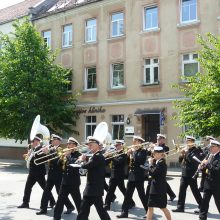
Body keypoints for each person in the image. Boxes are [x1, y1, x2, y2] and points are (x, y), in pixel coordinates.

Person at [36, 134, 74, 215]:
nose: (52, 141)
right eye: (52, 140)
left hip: (58, 175)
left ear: (58, 141)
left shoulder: (60, 149)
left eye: (54, 140)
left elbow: (57, 161)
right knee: (46, 191)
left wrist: (48, 152)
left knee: (59, 193)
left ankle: (70, 206)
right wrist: (44, 153)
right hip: (51, 174)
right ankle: (43, 209)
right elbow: (46, 159)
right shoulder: (51, 148)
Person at [76, 136, 111, 220]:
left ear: (97, 145)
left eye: (91, 145)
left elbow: (87, 166)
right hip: (91, 189)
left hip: (94, 190)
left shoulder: (98, 156)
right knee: (83, 211)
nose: (89, 146)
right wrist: (84, 160)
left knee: (101, 211)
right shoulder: (96, 155)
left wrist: (81, 160)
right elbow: (89, 166)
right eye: (89, 145)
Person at [18, 136, 54, 208]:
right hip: (32, 172)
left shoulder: (41, 148)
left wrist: (33, 154)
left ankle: (52, 201)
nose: (31, 143)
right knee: (28, 187)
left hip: (39, 172)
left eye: (32, 141)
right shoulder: (32, 149)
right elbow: (31, 158)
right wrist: (28, 156)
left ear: (37, 141)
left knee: (45, 188)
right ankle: (25, 203)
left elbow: (42, 157)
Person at [117, 135, 148, 218]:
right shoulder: (133, 151)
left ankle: (148, 211)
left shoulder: (143, 151)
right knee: (127, 195)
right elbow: (128, 163)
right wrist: (127, 155)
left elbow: (139, 161)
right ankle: (124, 212)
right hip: (131, 176)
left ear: (140, 142)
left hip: (139, 176)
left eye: (135, 141)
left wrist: (133, 153)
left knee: (142, 195)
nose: (133, 143)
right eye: (134, 141)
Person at [53, 137, 82, 220]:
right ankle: (56, 217)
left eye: (70, 144)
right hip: (65, 181)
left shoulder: (78, 154)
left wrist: (68, 156)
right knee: (60, 201)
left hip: (74, 182)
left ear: (74, 145)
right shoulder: (65, 153)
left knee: (78, 202)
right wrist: (62, 157)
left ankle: (83, 217)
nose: (68, 145)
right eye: (68, 144)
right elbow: (58, 164)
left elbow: (74, 164)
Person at [172, 135, 203, 213]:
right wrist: (182, 154)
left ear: (192, 142)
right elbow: (180, 161)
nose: (187, 143)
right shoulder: (186, 150)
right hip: (184, 173)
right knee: (181, 190)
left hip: (192, 173)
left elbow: (193, 161)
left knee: (195, 191)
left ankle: (202, 206)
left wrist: (186, 153)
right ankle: (180, 207)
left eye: (188, 141)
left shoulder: (197, 150)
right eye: (186, 141)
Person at [104, 140, 135, 210]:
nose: (116, 147)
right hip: (113, 175)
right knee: (111, 190)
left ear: (121, 145)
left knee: (122, 190)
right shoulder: (114, 153)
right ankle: (107, 205)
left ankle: (131, 202)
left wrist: (112, 156)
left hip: (119, 175)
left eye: (118, 145)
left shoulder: (123, 154)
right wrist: (106, 156)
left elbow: (119, 162)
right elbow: (106, 163)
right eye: (116, 146)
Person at [147, 146, 172, 220]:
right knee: (150, 207)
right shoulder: (157, 162)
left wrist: (150, 164)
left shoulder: (161, 163)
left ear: (160, 154)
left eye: (154, 153)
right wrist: (152, 164)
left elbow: (153, 172)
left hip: (159, 190)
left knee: (163, 208)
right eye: (153, 153)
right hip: (154, 188)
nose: (153, 155)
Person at [199, 139, 220, 220]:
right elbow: (206, 170)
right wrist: (202, 167)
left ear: (218, 147)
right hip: (208, 183)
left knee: (218, 203)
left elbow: (217, 170)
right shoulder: (210, 155)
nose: (210, 148)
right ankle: (202, 217)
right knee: (204, 202)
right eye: (210, 146)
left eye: (212, 146)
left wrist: (207, 164)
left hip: (217, 184)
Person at [157, 134, 176, 201]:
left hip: (162, 165)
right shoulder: (156, 146)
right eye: (158, 139)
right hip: (155, 165)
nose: (158, 140)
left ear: (163, 140)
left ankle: (171, 195)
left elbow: (165, 155)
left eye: (159, 139)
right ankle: (172, 195)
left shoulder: (166, 147)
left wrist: (155, 147)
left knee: (162, 182)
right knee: (161, 182)